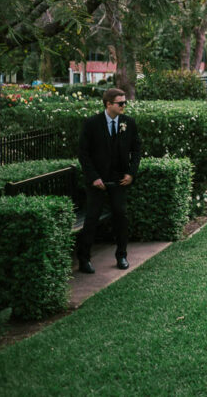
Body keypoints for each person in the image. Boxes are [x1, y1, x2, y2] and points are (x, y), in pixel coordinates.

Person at [76, 87, 140, 274]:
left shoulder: (129, 123)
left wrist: (131, 173)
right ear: (108, 104)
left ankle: (122, 255)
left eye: (125, 102)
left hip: (119, 180)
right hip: (97, 181)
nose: (124, 106)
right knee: (91, 218)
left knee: (121, 216)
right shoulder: (91, 123)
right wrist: (94, 177)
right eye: (120, 103)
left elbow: (136, 150)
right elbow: (83, 153)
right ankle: (84, 259)